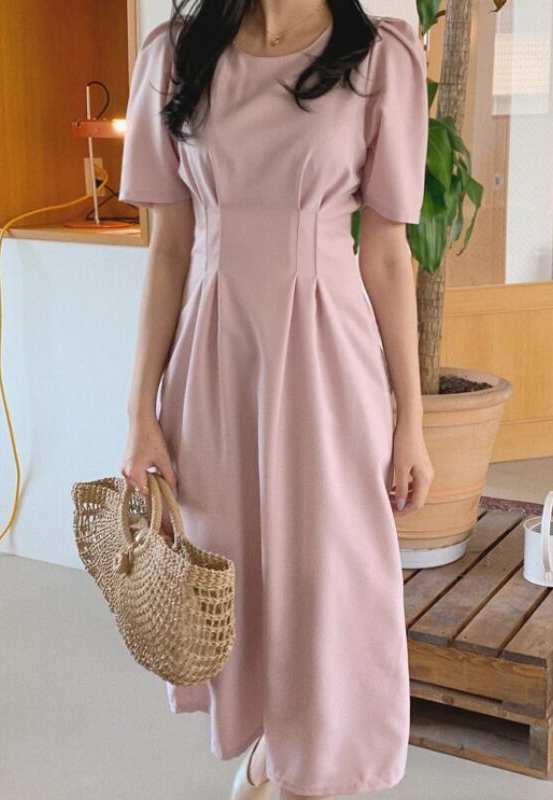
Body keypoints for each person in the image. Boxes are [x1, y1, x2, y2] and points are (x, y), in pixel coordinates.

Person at [118, 2, 433, 799]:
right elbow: (168, 249)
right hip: (215, 362)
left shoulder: (378, 57)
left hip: (331, 363)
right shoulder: (177, 54)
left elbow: (387, 255)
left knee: (334, 577)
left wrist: (412, 419)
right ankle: (270, 750)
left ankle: (309, 770)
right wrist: (139, 412)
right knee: (233, 569)